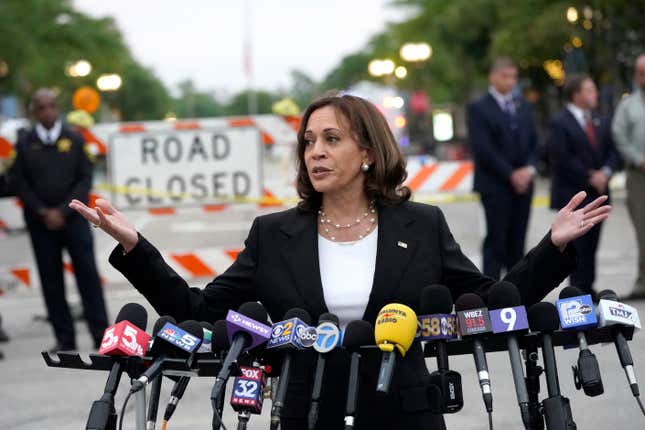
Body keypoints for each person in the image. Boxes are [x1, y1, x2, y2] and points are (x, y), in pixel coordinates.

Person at [70, 94, 610, 430]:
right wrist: (137, 247)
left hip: (409, 411)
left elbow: (491, 305)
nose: (316, 152)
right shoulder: (274, 233)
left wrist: (553, 246)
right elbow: (200, 309)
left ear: (368, 152)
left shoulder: (420, 225)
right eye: (309, 142)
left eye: (332, 139)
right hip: (306, 409)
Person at [11, 88, 108, 352]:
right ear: (34, 112)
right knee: (50, 280)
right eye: (41, 107)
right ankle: (65, 339)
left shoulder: (74, 140)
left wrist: (63, 211)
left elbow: (84, 178)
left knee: (87, 276)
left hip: (74, 220)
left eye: (51, 106)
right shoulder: (24, 143)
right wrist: (43, 211)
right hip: (40, 223)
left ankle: (101, 335)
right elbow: (19, 181)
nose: (47, 112)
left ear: (58, 108)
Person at [548, 74, 621, 298]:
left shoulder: (600, 120)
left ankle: (589, 288)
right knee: (577, 249)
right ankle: (577, 293)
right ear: (575, 95)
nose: (594, 94)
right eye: (589, 90)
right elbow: (561, 157)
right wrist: (590, 176)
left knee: (592, 248)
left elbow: (613, 151)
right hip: (574, 195)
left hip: (598, 195)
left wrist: (606, 172)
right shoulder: (560, 122)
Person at [467, 57, 539, 279]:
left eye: (513, 77)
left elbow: (535, 142)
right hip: (495, 185)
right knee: (496, 241)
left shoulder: (523, 106)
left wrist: (529, 169)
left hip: (524, 185)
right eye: (505, 76)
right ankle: (491, 292)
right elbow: (483, 149)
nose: (510, 82)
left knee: (518, 243)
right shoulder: (478, 108)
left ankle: (516, 293)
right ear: (493, 76)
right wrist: (511, 174)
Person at [613, 54, 645, 301]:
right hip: (639, 176)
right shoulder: (628, 106)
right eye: (641, 72)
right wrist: (637, 159)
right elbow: (619, 136)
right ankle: (642, 282)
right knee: (643, 231)